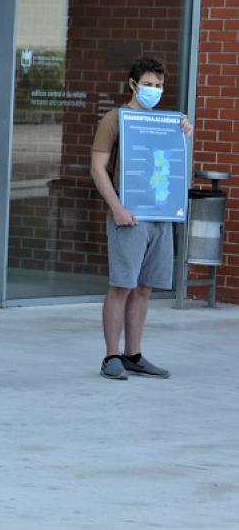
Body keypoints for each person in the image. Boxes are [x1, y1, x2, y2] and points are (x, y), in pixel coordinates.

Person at [91, 56, 192, 380]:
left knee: (145, 288)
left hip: (159, 215)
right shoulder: (115, 119)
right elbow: (97, 168)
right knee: (122, 285)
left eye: (159, 85)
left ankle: (133, 354)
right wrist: (117, 208)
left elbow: (171, 164)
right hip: (128, 216)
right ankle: (111, 357)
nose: (154, 90)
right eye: (148, 84)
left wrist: (183, 134)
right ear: (133, 85)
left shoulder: (166, 123)